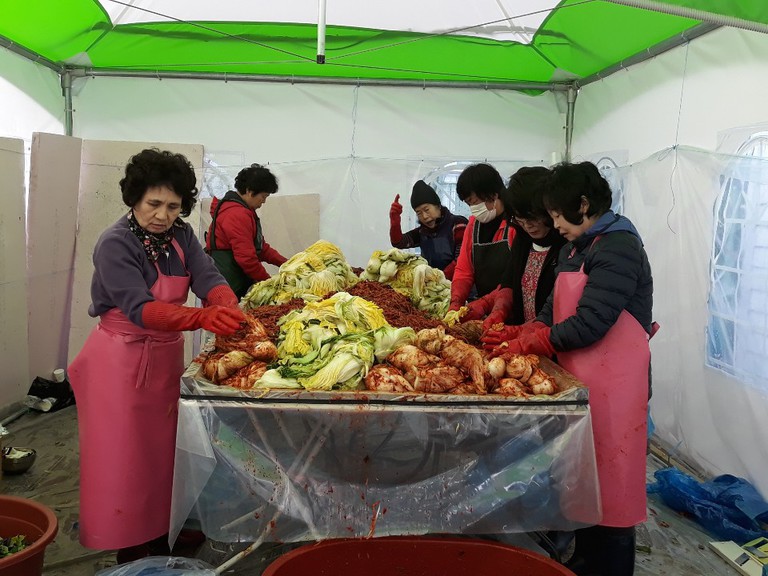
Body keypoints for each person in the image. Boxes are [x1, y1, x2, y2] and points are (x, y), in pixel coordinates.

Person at [68, 148, 246, 564]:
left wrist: (228, 306)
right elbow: (139, 307)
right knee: (124, 456)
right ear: (134, 199)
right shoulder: (115, 243)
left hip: (166, 356)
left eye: (173, 205)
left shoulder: (182, 236)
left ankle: (164, 527)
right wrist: (203, 316)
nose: (163, 215)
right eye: (153, 204)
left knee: (167, 448)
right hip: (120, 361)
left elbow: (208, 276)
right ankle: (131, 540)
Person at [491, 161, 654, 576]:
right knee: (581, 478)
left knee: (613, 488)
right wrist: (521, 332)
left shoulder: (619, 245)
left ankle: (612, 567)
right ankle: (583, 559)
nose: (555, 223)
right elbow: (551, 310)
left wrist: (538, 341)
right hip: (578, 381)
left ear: (583, 204)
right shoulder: (577, 246)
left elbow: (593, 321)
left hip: (616, 389)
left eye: (559, 214)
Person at [458, 167, 566, 342]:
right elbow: (509, 282)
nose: (528, 226)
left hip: (553, 340)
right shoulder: (523, 238)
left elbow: (558, 309)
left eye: (532, 218)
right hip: (521, 335)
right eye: (520, 220)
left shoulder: (566, 245)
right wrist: (498, 310)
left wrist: (522, 332)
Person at [205, 163, 288, 299]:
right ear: (250, 191)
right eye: (263, 196)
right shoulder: (237, 214)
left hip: (235, 282)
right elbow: (246, 259)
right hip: (228, 286)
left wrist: (288, 263)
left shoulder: (243, 211)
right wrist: (268, 283)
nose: (264, 201)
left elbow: (261, 248)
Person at [447, 163, 515, 311]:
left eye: (475, 202)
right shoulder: (473, 225)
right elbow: (464, 270)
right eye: (468, 204)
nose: (473, 209)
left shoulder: (514, 224)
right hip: (484, 310)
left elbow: (516, 278)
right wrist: (456, 301)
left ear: (493, 194)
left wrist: (485, 304)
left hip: (513, 308)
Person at [388, 180, 468, 279]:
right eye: (419, 213)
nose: (424, 216)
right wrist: (395, 220)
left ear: (438, 206)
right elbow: (398, 242)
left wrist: (439, 278)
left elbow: (461, 259)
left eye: (426, 210)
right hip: (433, 284)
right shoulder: (422, 231)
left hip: (457, 283)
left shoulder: (458, 224)